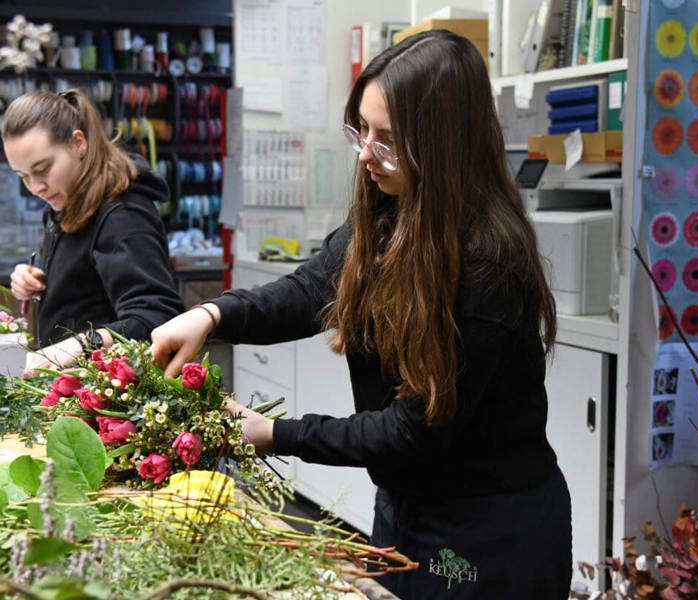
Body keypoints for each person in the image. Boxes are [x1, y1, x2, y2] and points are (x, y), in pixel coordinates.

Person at [150, 30, 572, 598]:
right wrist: (210, 315)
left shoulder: (489, 264)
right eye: (362, 131)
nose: (366, 154)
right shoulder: (390, 214)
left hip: (485, 536)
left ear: (444, 144)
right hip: (406, 507)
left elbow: (414, 430)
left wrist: (275, 434)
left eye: (388, 140)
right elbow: (309, 290)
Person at [3, 89, 183, 371]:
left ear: (78, 143)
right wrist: (35, 275)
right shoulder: (66, 202)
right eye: (23, 176)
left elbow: (157, 316)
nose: (35, 187)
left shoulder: (124, 216)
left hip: (116, 402)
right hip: (77, 390)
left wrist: (85, 344)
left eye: (43, 168)